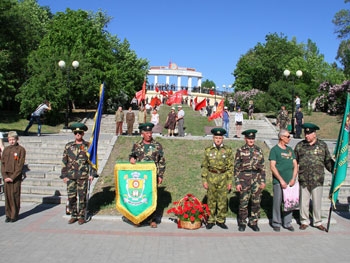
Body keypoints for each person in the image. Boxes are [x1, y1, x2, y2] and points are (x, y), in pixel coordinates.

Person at [294, 123, 334, 231]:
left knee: (317, 202)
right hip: (304, 178)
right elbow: (294, 162)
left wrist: (334, 169)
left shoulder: (322, 145)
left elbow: (327, 161)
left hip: (317, 179)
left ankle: (317, 222)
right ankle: (304, 221)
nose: (306, 136)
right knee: (304, 202)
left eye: (309, 133)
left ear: (314, 134)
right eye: (305, 133)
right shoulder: (300, 146)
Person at [129, 122, 166, 228]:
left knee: (151, 198)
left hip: (152, 177)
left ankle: (152, 220)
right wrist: (132, 159)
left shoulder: (157, 146)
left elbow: (162, 161)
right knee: (140, 198)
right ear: (142, 133)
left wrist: (160, 175)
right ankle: (139, 219)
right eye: (147, 133)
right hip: (140, 178)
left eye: (150, 132)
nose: (149, 135)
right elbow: (132, 156)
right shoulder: (137, 145)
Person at [60, 123, 96, 225]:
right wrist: (64, 175)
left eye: (80, 132)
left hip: (82, 176)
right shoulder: (69, 146)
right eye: (76, 133)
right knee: (71, 196)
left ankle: (81, 216)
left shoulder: (88, 146)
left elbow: (92, 162)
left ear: (83, 133)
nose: (78, 134)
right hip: (70, 176)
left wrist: (92, 174)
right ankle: (73, 215)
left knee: (82, 196)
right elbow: (64, 161)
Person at [201, 128, 233, 230]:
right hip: (211, 176)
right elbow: (205, 166)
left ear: (223, 138)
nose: (218, 140)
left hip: (223, 177)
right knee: (211, 199)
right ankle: (210, 220)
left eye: (220, 138)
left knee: (222, 199)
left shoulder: (227, 150)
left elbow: (230, 167)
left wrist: (229, 181)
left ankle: (220, 220)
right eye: (216, 138)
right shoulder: (208, 150)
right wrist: (204, 180)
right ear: (213, 138)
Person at [234, 129, 266, 232]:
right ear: (245, 139)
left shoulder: (259, 150)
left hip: (256, 179)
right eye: (249, 138)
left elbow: (262, 168)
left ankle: (253, 222)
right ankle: (242, 222)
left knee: (256, 202)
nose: (251, 140)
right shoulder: (240, 150)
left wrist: (263, 181)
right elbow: (236, 168)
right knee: (243, 202)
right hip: (244, 179)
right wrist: (237, 182)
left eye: (252, 138)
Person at [269, 129, 298, 232]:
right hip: (279, 182)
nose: (289, 138)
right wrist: (281, 180)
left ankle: (287, 222)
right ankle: (276, 222)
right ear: (281, 137)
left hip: (290, 181)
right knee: (277, 202)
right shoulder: (274, 150)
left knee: (289, 202)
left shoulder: (290, 149)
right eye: (288, 136)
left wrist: (293, 178)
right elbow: (272, 166)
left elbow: (295, 165)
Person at [1, 131, 26, 222]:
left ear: (17, 139)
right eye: (10, 139)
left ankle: (14, 215)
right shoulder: (6, 149)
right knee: (7, 196)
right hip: (6, 175)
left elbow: (20, 165)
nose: (11, 141)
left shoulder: (21, 150)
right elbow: (2, 163)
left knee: (14, 195)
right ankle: (8, 215)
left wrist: (13, 177)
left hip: (15, 177)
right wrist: (4, 176)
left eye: (13, 139)